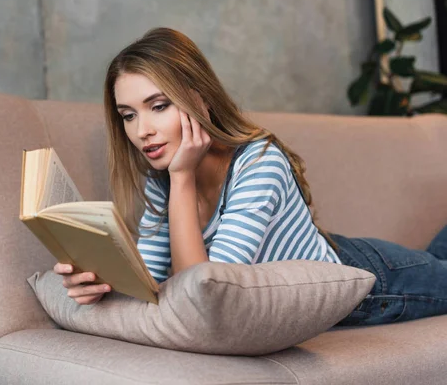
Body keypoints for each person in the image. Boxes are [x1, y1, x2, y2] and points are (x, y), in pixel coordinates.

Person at [54, 27, 447, 326]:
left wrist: (184, 178)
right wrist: (98, 284)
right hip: (327, 254)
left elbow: (205, 294)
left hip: (367, 281)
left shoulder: (259, 163)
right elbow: (152, 281)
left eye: (158, 106)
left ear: (199, 101)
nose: (142, 131)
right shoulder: (161, 179)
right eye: (128, 115)